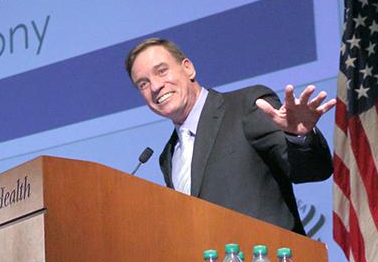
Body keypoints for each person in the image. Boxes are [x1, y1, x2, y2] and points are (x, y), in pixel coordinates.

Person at [125, 37, 335, 233]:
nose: (155, 86)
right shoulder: (168, 156)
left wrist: (298, 137)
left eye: (162, 71)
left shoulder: (245, 106)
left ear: (188, 68)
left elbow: (312, 171)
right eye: (143, 83)